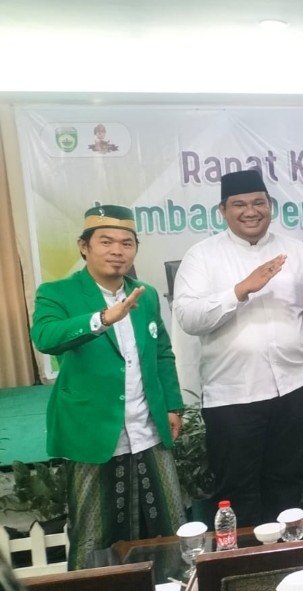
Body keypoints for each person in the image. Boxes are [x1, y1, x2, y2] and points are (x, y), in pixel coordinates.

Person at [173, 170, 303, 526]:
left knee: (288, 481)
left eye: (259, 202)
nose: (250, 211)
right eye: (239, 204)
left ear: (270, 206)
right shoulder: (202, 256)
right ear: (223, 210)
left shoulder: (299, 252)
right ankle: (246, 559)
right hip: (233, 393)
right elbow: (188, 318)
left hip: (296, 385)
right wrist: (240, 290)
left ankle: (290, 551)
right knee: (236, 490)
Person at [30, 205, 185, 569]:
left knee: (168, 525)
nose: (118, 250)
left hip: (147, 428)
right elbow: (45, 336)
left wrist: (172, 406)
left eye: (127, 243)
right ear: (83, 247)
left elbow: (162, 353)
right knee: (93, 535)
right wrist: (101, 319)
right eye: (106, 241)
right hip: (93, 432)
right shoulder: (57, 292)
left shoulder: (145, 295)